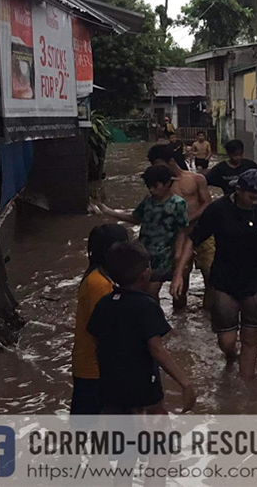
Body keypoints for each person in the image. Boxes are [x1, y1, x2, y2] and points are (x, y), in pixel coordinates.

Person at [171, 169, 257, 380]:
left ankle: (246, 387)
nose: (255, 202)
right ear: (239, 190)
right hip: (224, 280)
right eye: (251, 197)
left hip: (256, 279)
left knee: (251, 338)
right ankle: (231, 355)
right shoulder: (218, 210)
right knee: (227, 341)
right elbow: (192, 239)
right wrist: (178, 273)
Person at [87, 241, 195, 414]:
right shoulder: (147, 306)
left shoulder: (104, 303)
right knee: (154, 434)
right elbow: (156, 349)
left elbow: (95, 338)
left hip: (110, 388)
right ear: (145, 274)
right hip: (144, 391)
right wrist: (185, 383)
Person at [94, 165, 190, 302]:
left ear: (168, 183)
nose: (151, 190)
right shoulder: (148, 201)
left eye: (155, 186)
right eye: (149, 186)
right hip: (143, 254)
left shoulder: (178, 204)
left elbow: (182, 231)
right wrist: (108, 211)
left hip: (164, 256)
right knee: (141, 293)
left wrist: (178, 254)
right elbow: (135, 218)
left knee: (151, 293)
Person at [71, 224, 129, 415]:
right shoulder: (100, 285)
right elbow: (105, 331)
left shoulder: (100, 277)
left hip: (91, 366)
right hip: (95, 369)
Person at [149, 144, 213, 311]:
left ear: (171, 161)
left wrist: (189, 219)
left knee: (210, 276)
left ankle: (207, 317)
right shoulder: (162, 187)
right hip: (179, 237)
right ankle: (180, 319)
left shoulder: (196, 179)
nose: (155, 168)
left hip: (202, 233)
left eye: (158, 164)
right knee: (180, 280)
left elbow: (207, 203)